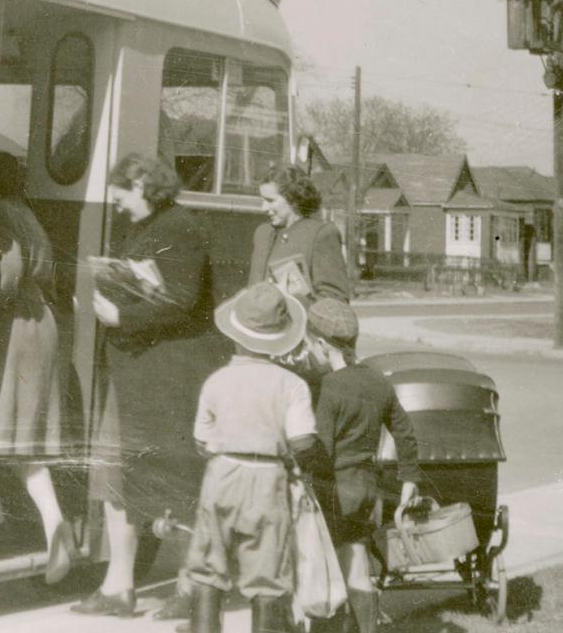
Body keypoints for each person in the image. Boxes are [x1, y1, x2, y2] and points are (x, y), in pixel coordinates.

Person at [73, 152, 227, 619]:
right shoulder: (145, 227)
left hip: (168, 380)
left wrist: (123, 314)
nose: (116, 205)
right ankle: (119, 587)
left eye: (120, 195)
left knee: (177, 482)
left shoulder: (181, 227)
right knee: (117, 479)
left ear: (142, 183)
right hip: (135, 373)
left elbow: (181, 301)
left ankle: (189, 587)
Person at [185, 283, 323, 633]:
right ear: (280, 339)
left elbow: (202, 440)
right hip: (267, 478)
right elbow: (304, 441)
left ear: (235, 334)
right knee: (268, 575)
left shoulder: (216, 381)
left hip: (222, 473)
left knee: (207, 567)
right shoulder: (291, 385)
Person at [0, 151, 72, 582]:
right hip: (39, 319)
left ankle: (3, 522)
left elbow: (8, 273)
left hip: (15, 325)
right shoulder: (23, 211)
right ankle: (46, 526)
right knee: (18, 439)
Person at [304, 297, 421, 633]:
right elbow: (405, 432)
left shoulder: (328, 388)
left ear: (323, 345)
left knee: (325, 570)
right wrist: (410, 478)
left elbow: (320, 449)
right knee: (356, 565)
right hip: (366, 488)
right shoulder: (377, 381)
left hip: (334, 491)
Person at [249, 164, 351, 303]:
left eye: (270, 201)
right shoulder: (262, 234)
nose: (263, 208)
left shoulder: (320, 234)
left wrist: (293, 301)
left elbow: (335, 301)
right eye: (262, 200)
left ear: (294, 200)